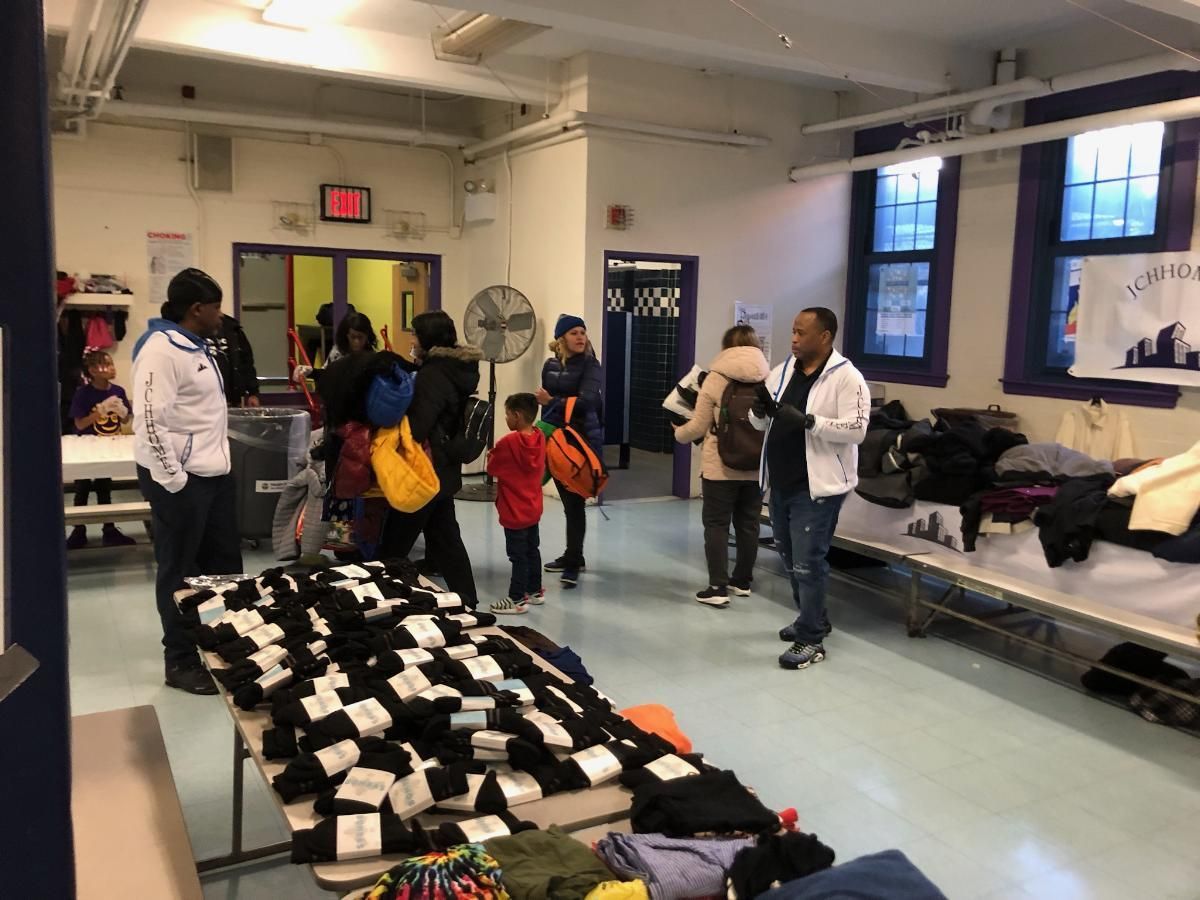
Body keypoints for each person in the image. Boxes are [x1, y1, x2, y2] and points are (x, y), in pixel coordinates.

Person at [132, 267, 243, 695]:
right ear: (196, 309)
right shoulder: (161, 350)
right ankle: (179, 660)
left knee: (224, 569)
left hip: (213, 476)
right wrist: (175, 481)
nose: (221, 315)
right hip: (181, 480)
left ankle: (222, 647)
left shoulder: (196, 346)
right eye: (216, 307)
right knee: (180, 570)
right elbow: (149, 421)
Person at [752, 307, 868, 671]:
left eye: (801, 333)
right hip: (781, 482)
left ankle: (811, 638)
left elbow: (857, 429)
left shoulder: (847, 377)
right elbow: (760, 424)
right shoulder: (784, 369)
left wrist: (808, 421)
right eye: (793, 331)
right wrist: (758, 412)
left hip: (817, 488)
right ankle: (813, 617)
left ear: (825, 336)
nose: (794, 339)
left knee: (807, 562)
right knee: (788, 558)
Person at [376, 310, 480, 606]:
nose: (412, 340)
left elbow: (419, 426)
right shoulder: (457, 369)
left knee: (394, 544)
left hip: (425, 470)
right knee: (446, 540)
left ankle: (380, 599)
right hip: (444, 468)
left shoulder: (432, 375)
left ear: (427, 338)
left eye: (415, 335)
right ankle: (467, 601)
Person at [672, 325, 769, 608]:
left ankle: (717, 587)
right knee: (749, 524)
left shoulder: (715, 378)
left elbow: (698, 426)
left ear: (726, 347)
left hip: (720, 468)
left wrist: (678, 433)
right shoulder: (769, 378)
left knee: (717, 524)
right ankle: (743, 581)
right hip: (756, 466)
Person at [536, 314, 603, 589]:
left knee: (575, 502)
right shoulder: (549, 365)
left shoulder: (591, 365)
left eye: (582, 332)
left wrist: (552, 400)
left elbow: (587, 402)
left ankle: (574, 561)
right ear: (561, 338)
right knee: (567, 501)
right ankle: (573, 553)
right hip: (556, 439)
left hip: (580, 440)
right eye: (574, 332)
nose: (580, 337)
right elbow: (545, 407)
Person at [66, 348, 136, 549]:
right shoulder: (83, 393)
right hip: (86, 448)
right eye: (106, 365)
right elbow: (80, 424)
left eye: (111, 363)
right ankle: (78, 531)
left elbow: (125, 420)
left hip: (109, 446)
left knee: (105, 488)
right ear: (93, 370)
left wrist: (122, 411)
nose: (112, 368)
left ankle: (109, 529)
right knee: (82, 489)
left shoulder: (118, 391)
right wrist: (101, 411)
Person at [487, 393, 548, 615]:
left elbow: (492, 468)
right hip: (532, 507)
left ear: (517, 415)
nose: (506, 419)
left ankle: (516, 599)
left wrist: (491, 455)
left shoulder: (508, 442)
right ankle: (535, 591)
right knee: (532, 549)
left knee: (517, 556)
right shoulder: (540, 437)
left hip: (514, 510)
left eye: (507, 415)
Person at [205, 313, 261, 407]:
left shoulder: (232, 328)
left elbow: (247, 363)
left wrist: (253, 392)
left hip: (232, 398)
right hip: (205, 399)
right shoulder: (194, 329)